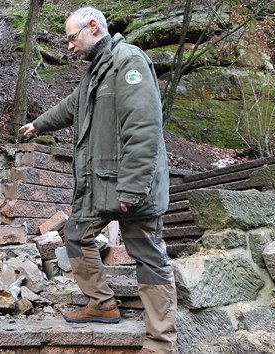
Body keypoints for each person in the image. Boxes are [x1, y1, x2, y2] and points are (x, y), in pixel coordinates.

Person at [18, 6, 177, 354]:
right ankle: (102, 304)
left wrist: (133, 187)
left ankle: (161, 342)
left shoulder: (128, 62)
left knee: (147, 254)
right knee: (75, 233)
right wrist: (37, 125)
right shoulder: (95, 73)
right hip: (98, 183)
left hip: (129, 185)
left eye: (72, 38)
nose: (69, 46)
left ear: (93, 26)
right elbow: (70, 106)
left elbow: (144, 129)